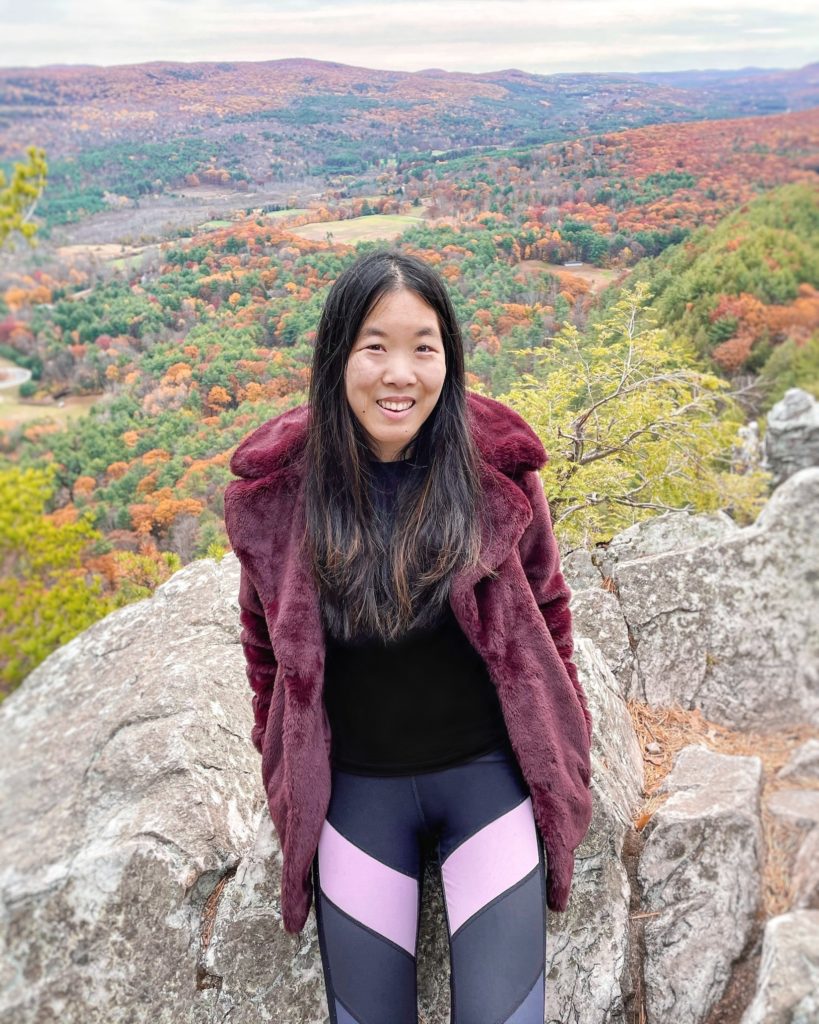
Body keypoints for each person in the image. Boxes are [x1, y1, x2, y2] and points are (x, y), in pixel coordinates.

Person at [222, 249, 594, 1024]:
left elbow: (550, 613)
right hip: (358, 792)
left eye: (423, 347)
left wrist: (566, 747)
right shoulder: (281, 494)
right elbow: (267, 650)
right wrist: (284, 765)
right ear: (337, 358)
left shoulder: (498, 473)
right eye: (374, 347)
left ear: (447, 359)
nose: (401, 373)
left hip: (486, 778)